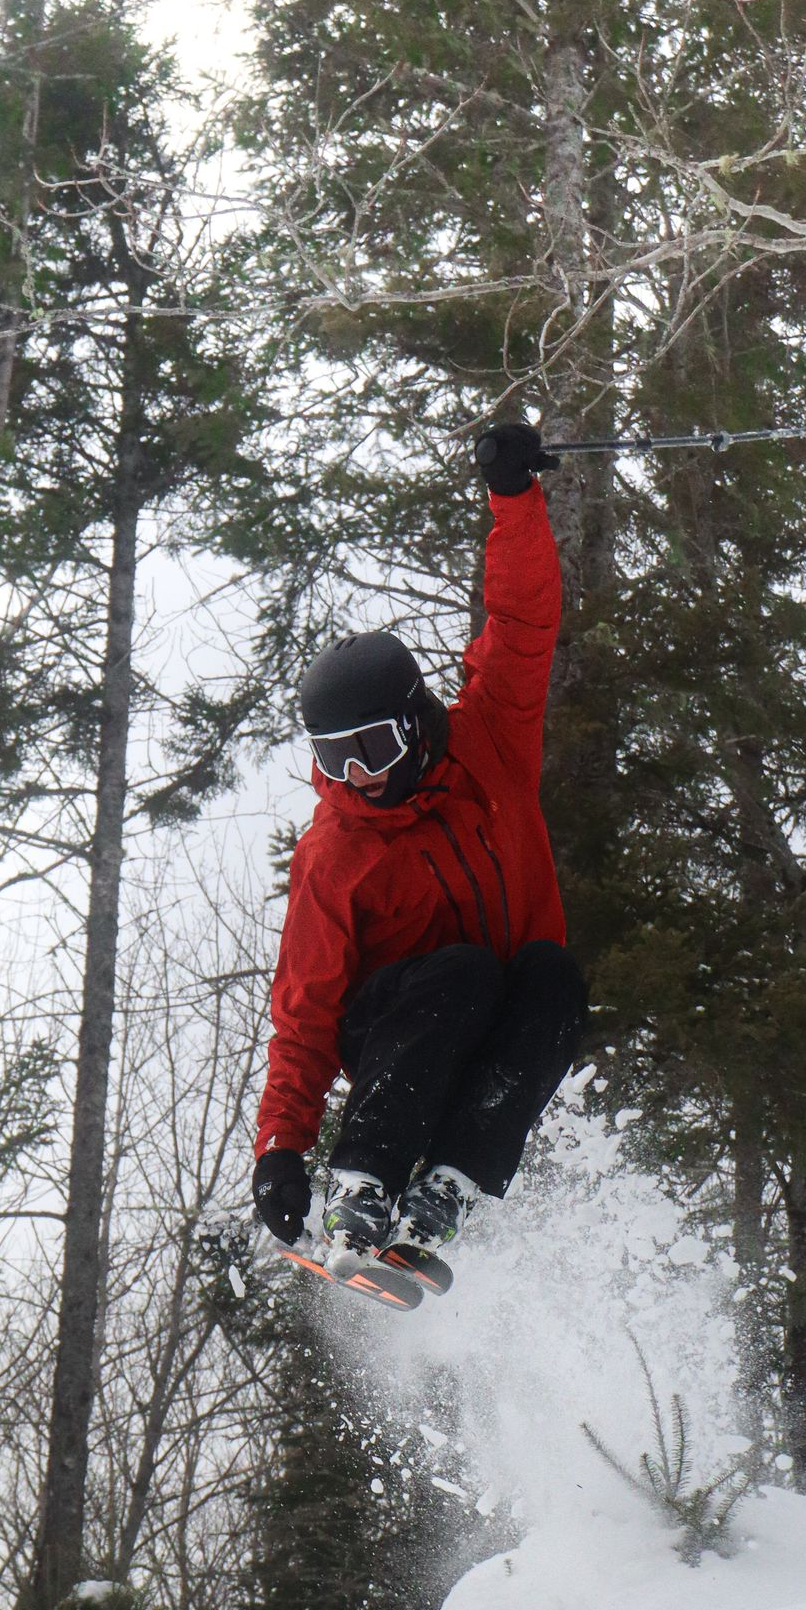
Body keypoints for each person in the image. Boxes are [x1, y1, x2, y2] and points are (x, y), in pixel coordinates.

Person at [250, 420, 589, 1276]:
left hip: (496, 1026)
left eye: (372, 749)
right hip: (397, 1032)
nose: (359, 777)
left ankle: (444, 1191)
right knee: (461, 969)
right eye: (334, 759)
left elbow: (520, 620)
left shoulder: (490, 741)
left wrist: (512, 498)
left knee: (551, 976)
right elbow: (304, 1012)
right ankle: (361, 1186)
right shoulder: (337, 853)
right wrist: (280, 1147)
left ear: (415, 722)